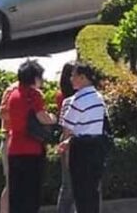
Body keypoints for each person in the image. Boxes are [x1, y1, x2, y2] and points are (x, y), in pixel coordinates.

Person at [6, 60, 55, 213]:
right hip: (32, 149)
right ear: (34, 78)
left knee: (16, 194)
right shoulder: (34, 95)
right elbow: (42, 117)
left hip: (14, 149)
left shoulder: (12, 95)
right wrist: (53, 118)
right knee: (31, 194)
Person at [59, 62, 107, 213]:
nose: (71, 79)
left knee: (80, 193)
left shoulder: (77, 101)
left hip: (80, 149)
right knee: (93, 191)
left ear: (83, 77)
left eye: (73, 76)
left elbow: (67, 130)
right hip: (97, 148)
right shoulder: (99, 98)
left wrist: (66, 154)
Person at [55, 63, 76, 213]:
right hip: (69, 139)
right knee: (68, 185)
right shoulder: (68, 100)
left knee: (68, 185)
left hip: (67, 138)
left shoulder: (61, 96)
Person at [0, 80, 17, 213]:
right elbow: (2, 112)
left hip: (21, 142)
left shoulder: (34, 93)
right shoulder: (13, 90)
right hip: (10, 139)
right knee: (11, 183)